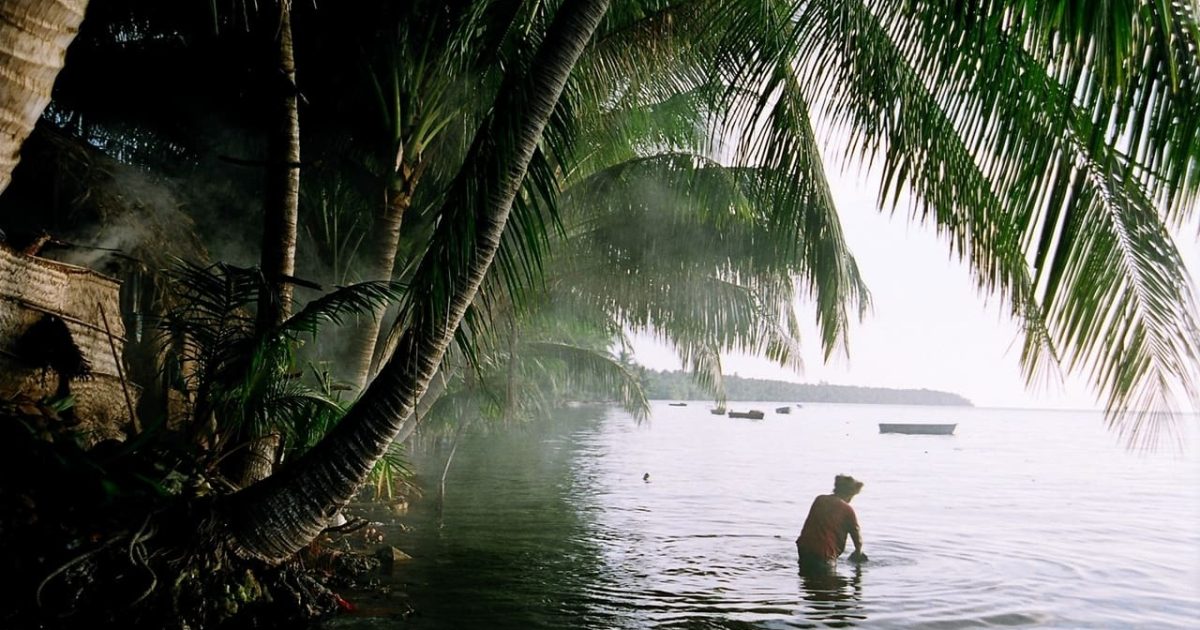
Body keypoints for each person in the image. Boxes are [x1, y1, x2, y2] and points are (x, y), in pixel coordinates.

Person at [795, 474, 866, 573]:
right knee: (827, 581)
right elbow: (856, 533)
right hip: (824, 553)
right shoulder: (847, 509)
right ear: (850, 493)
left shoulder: (819, 500)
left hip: (805, 548)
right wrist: (858, 551)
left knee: (806, 576)